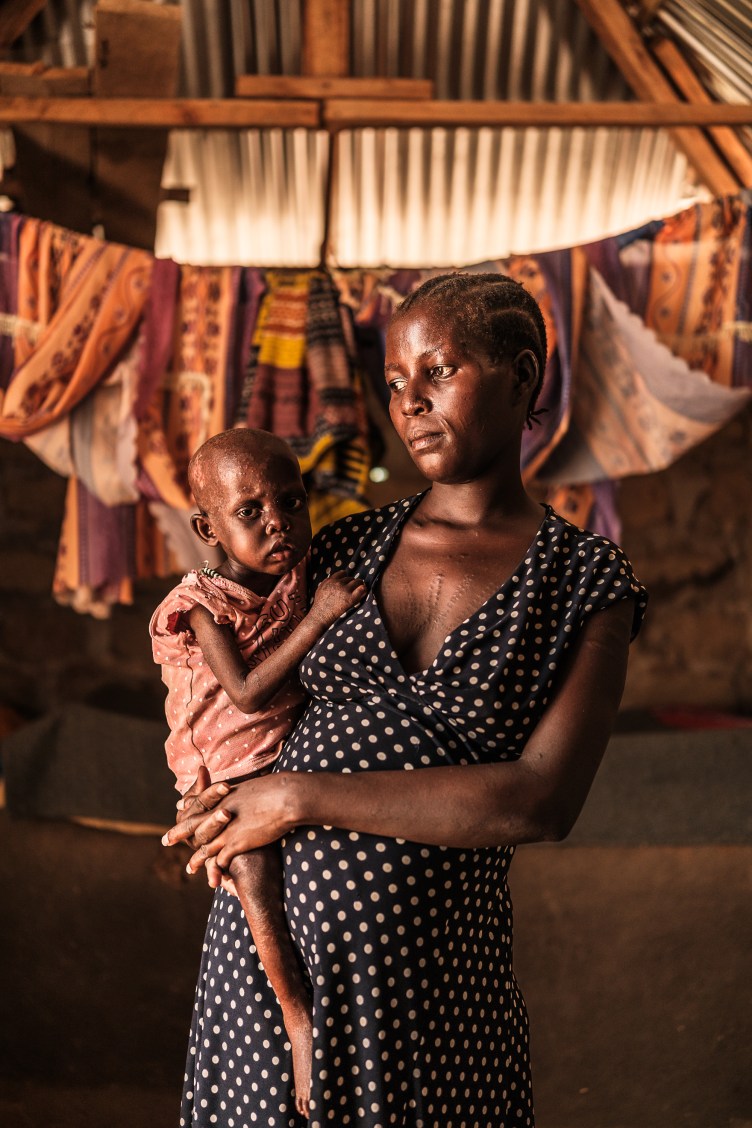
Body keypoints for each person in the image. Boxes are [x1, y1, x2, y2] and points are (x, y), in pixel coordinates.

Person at [163, 273, 648, 1128]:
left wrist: (295, 797)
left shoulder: (584, 582)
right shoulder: (345, 547)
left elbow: (542, 800)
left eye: (439, 371)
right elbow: (228, 699)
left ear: (522, 376)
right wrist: (210, 791)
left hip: (434, 997)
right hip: (272, 985)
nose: (410, 401)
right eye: (394, 381)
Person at [150, 427, 365, 1116]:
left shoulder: (293, 574)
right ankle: (296, 1015)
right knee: (256, 877)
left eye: (292, 502)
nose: (278, 523)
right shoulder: (203, 607)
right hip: (224, 768)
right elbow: (246, 693)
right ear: (206, 527)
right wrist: (321, 620)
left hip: (274, 761)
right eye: (250, 512)